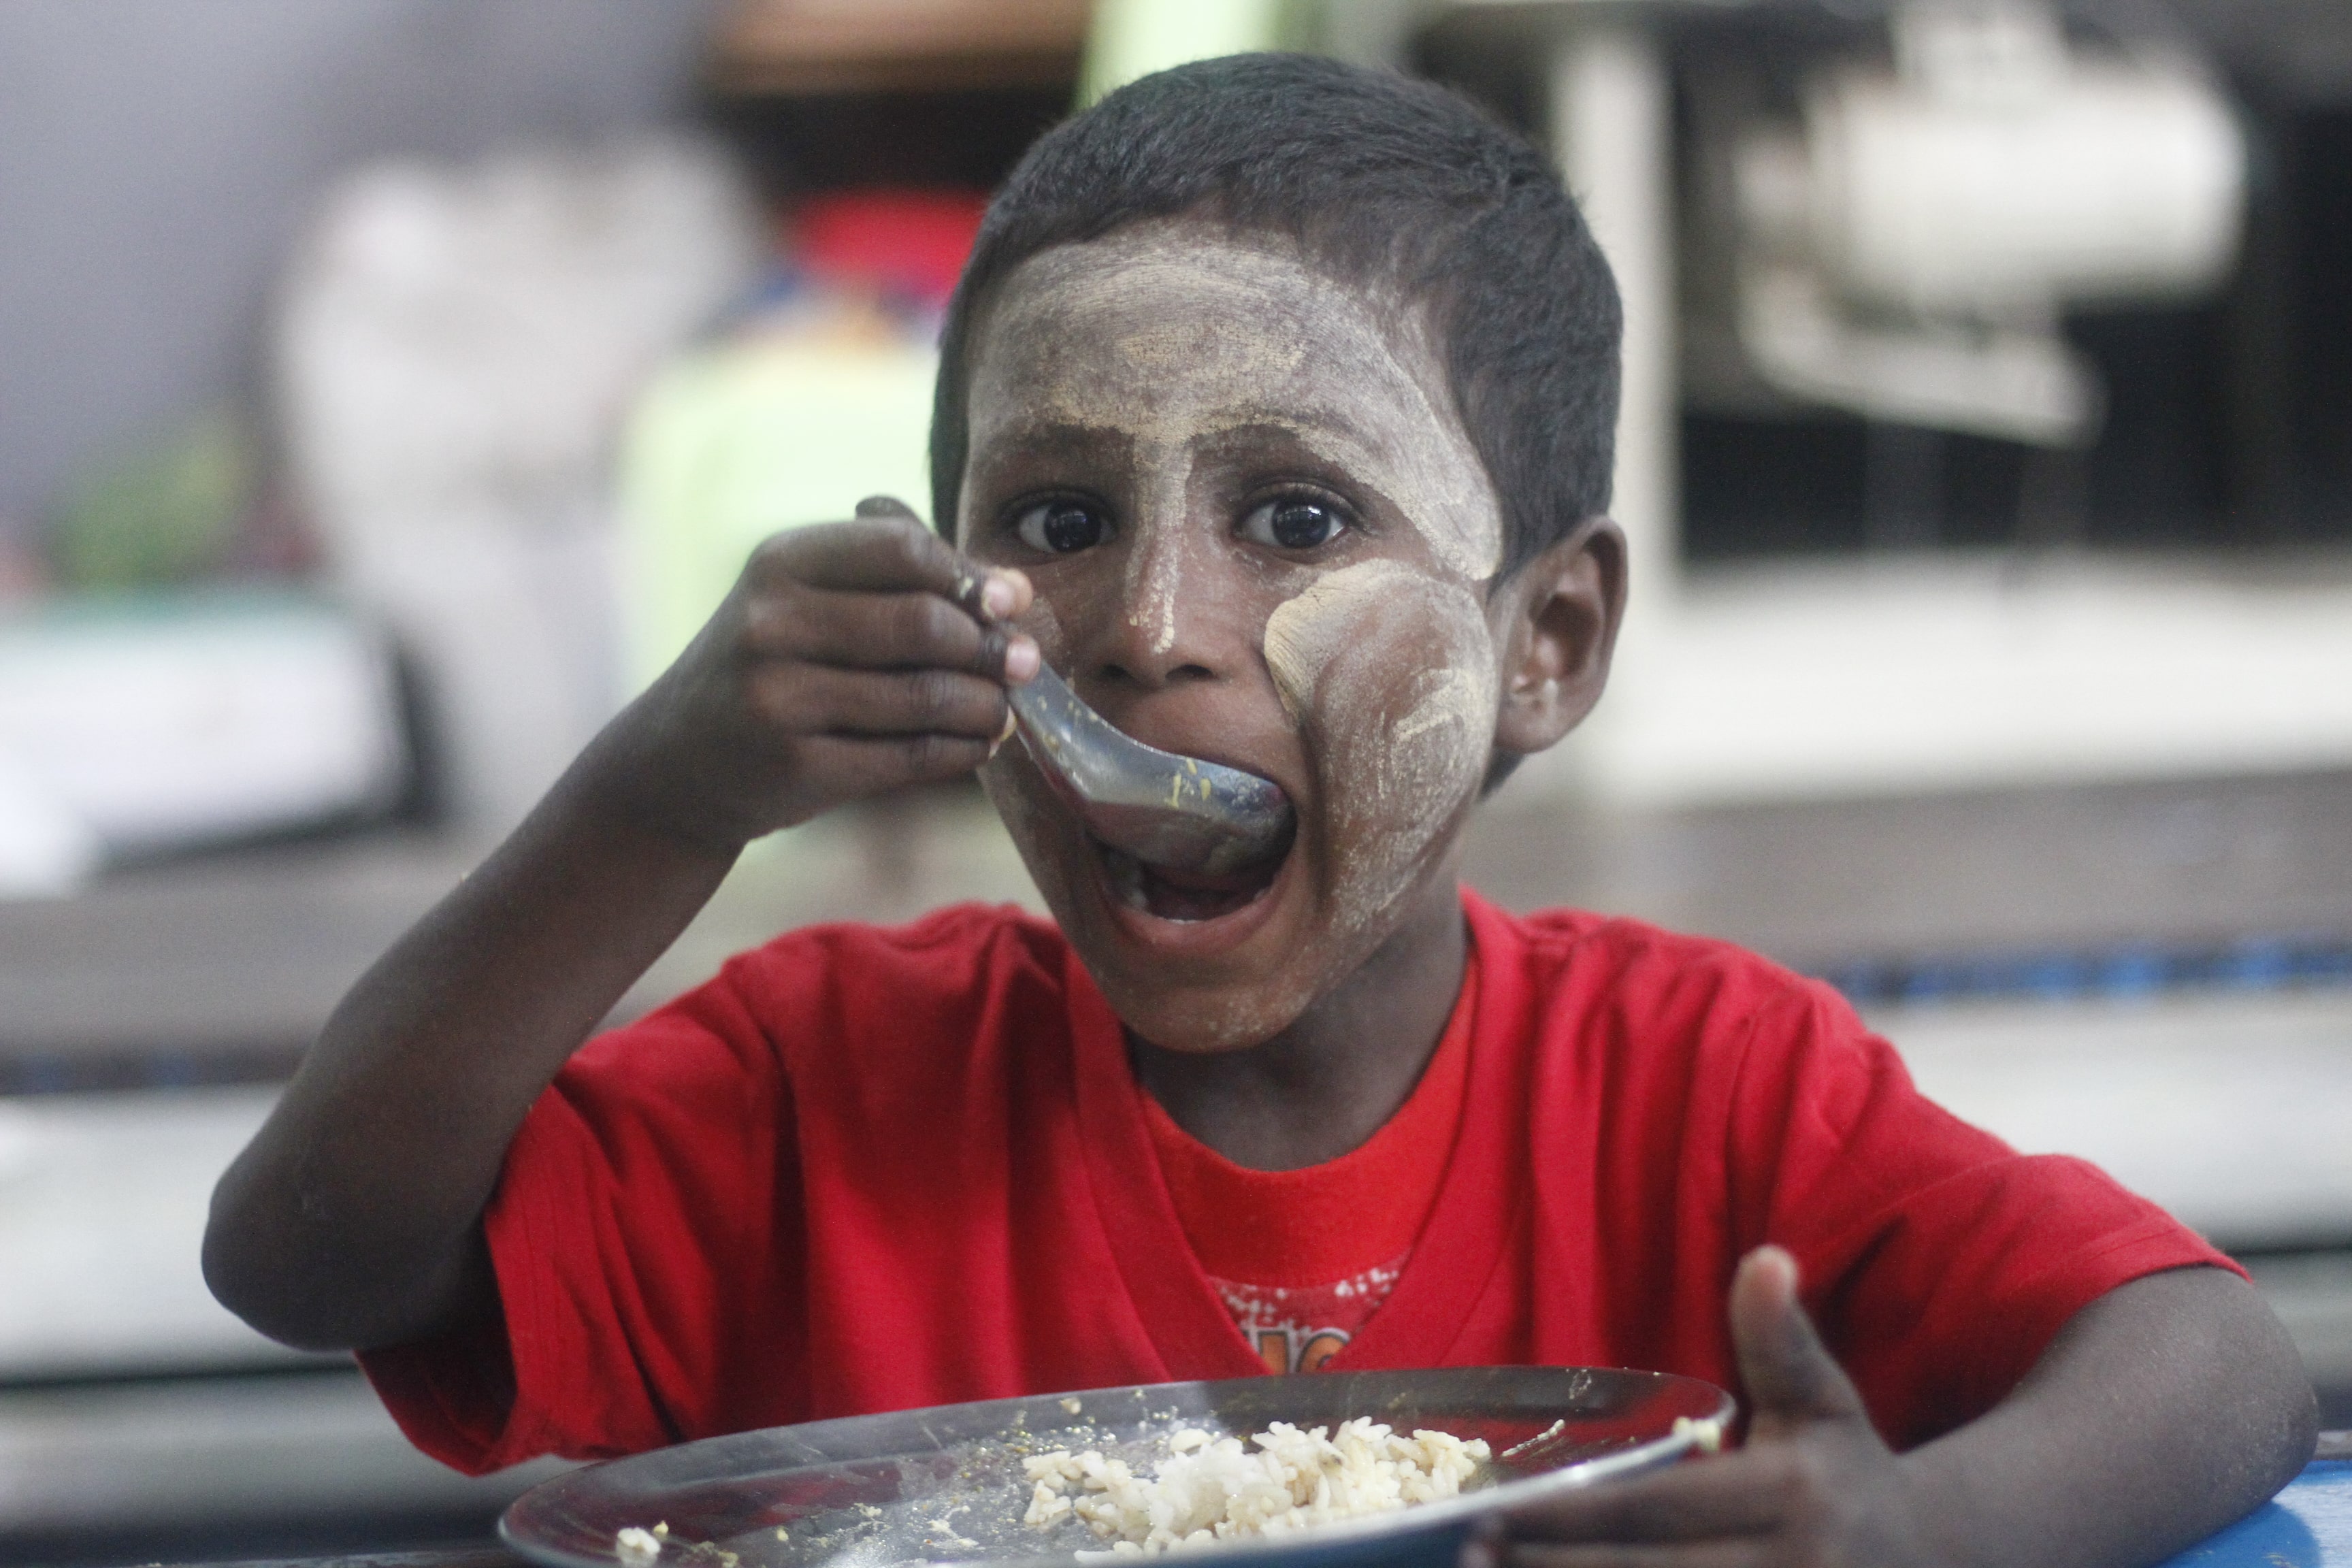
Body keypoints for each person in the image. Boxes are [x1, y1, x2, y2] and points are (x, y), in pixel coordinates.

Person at [206, 54, 2315, 1568]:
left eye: (1296, 516)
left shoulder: (1698, 1093)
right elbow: (306, 1258)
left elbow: (2220, 1373)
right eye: (1057, 520)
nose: (1150, 629)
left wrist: (1921, 1531)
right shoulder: (823, 1089)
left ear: (1549, 644)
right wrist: (654, 793)